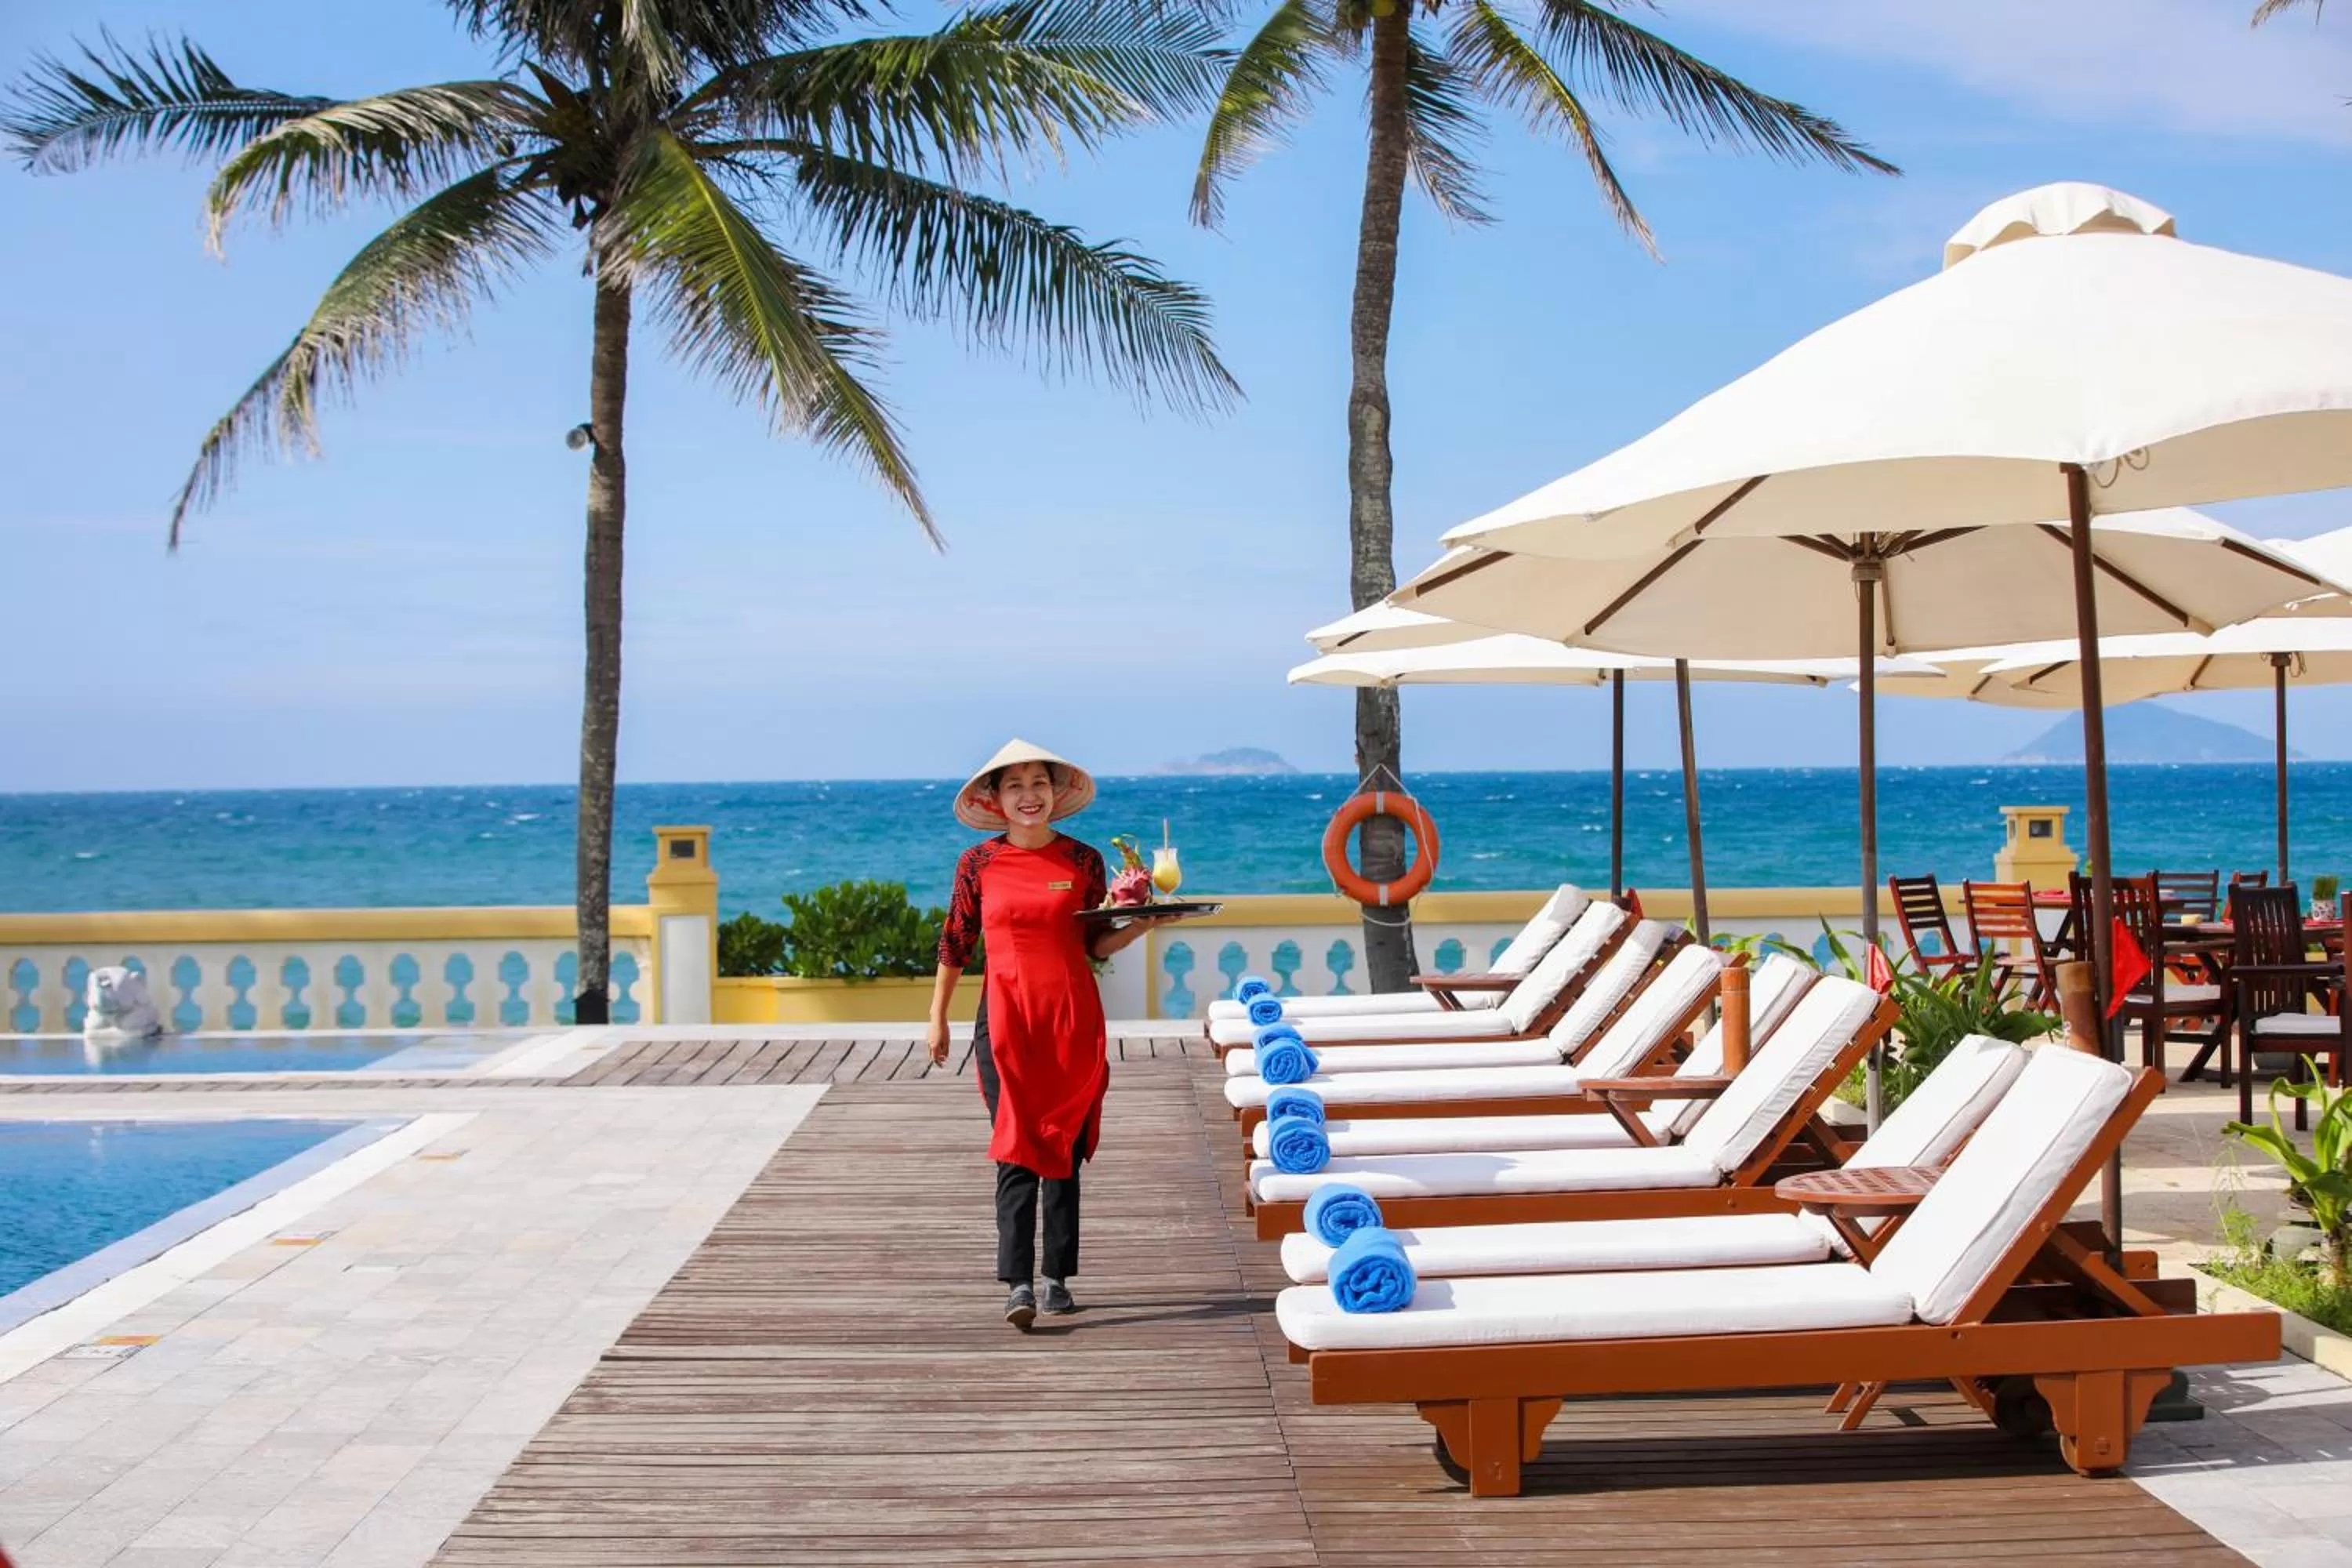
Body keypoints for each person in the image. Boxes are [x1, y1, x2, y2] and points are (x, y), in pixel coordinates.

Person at [928, 739, 1167, 1329]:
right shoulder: (977, 864)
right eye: (1015, 786)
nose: (1028, 795)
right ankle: (1018, 1284)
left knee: (1063, 1142)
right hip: (1004, 1017)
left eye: (1039, 783)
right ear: (996, 799)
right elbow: (957, 942)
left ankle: (1057, 1276)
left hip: (1070, 1015)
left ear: (1055, 794)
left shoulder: (1083, 862)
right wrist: (938, 1016)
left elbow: (1095, 944)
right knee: (1015, 1141)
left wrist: (1141, 924)